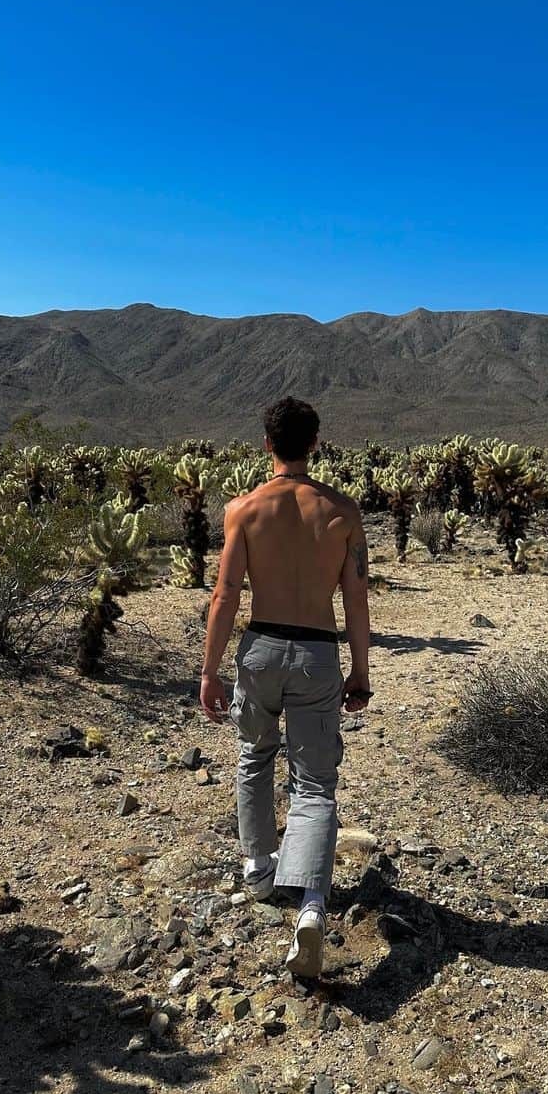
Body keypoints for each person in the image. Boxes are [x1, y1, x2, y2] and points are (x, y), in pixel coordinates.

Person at [200, 397, 371, 979]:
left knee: (254, 757)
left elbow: (224, 596)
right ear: (315, 443)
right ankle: (313, 906)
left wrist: (209, 669)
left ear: (267, 444)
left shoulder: (243, 510)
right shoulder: (342, 513)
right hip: (318, 654)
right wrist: (361, 671)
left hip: (261, 649)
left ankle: (259, 870)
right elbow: (355, 599)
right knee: (316, 780)